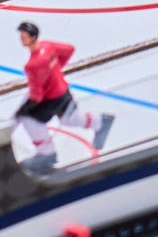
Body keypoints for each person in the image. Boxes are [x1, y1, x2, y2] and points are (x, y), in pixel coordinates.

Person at [11, 22, 114, 168]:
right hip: (62, 91)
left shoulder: (33, 65)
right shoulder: (47, 46)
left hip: (51, 98)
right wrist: (56, 70)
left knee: (29, 120)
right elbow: (69, 49)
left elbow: (37, 95)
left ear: (33, 37)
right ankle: (101, 122)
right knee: (71, 119)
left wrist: (24, 110)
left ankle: (47, 154)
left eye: (24, 36)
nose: (21, 38)